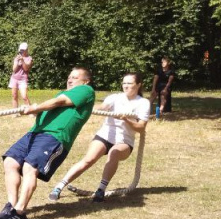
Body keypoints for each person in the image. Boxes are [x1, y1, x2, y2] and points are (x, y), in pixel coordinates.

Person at [0, 67, 95, 219]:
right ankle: (11, 206)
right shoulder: (65, 92)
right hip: (35, 133)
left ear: (86, 81)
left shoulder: (86, 90)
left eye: (75, 77)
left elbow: (59, 102)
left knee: (29, 167)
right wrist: (37, 112)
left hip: (55, 136)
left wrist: (35, 107)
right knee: (10, 162)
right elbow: (54, 107)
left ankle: (20, 212)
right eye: (69, 76)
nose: (70, 79)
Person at [48, 72, 150, 203]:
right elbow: (101, 107)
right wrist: (90, 106)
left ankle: (101, 189)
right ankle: (59, 186)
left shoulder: (143, 103)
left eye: (129, 83)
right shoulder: (115, 98)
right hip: (105, 135)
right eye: (124, 83)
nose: (126, 86)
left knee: (114, 153)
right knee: (88, 159)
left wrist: (126, 120)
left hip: (124, 141)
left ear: (138, 85)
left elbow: (141, 128)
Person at [10, 42, 33, 108]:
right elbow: (14, 70)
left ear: (26, 50)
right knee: (14, 96)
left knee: (24, 96)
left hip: (23, 80)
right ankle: (15, 112)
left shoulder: (29, 58)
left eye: (23, 50)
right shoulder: (16, 58)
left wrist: (22, 60)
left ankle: (31, 111)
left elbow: (26, 69)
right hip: (14, 79)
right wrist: (17, 62)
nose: (21, 51)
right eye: (21, 50)